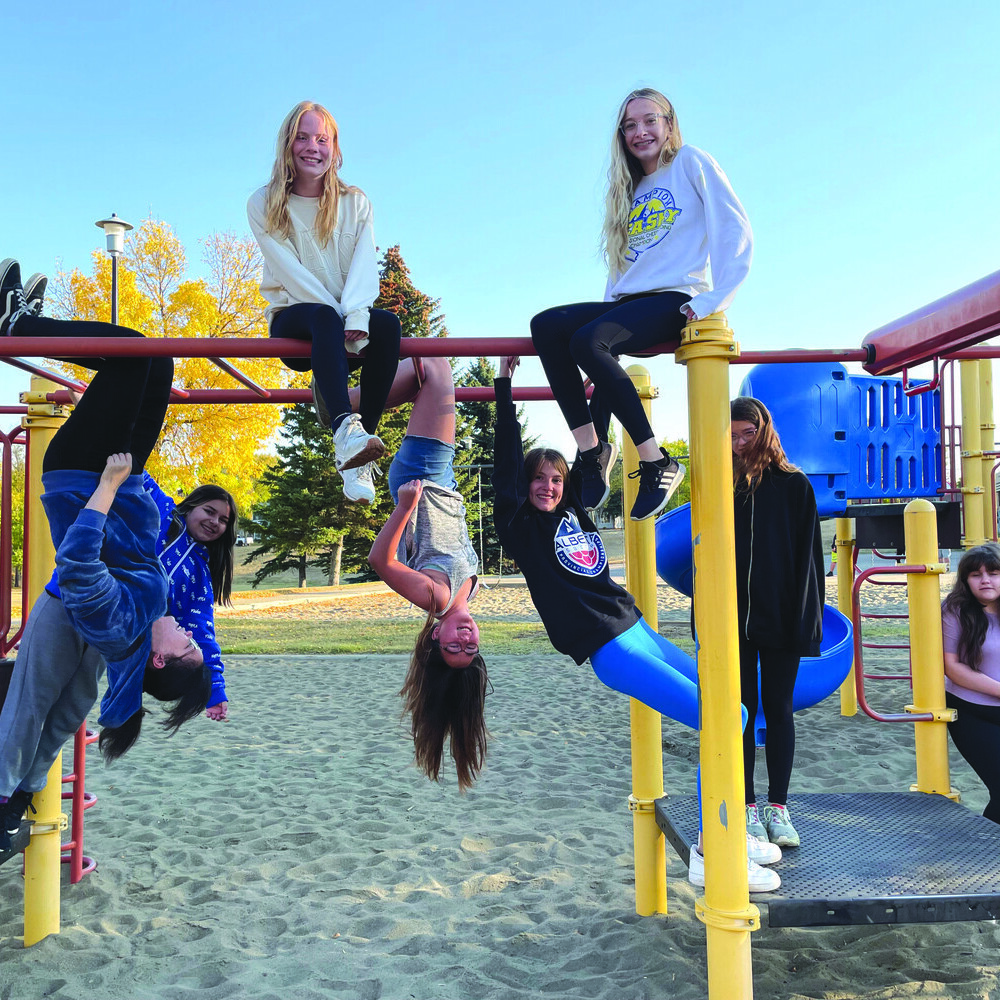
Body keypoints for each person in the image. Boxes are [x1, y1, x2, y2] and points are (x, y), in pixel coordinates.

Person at [495, 357, 781, 891]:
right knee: (714, 718)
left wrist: (597, 392)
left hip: (638, 630)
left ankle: (732, 829)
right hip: (611, 649)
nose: (549, 487)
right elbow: (506, 467)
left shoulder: (575, 509)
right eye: (539, 479)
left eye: (555, 479)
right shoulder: (519, 526)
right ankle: (711, 849)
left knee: (736, 711)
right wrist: (505, 387)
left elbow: (593, 446)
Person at [0, 260, 211, 854]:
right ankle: (14, 796)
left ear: (161, 663)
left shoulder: (121, 627)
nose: (189, 638)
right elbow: (66, 714)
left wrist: (109, 488)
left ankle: (18, 326)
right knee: (157, 359)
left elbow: (80, 562)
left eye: (186, 649)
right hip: (126, 484)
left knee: (130, 355)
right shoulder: (139, 625)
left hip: (81, 480)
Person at [530, 87, 752, 521]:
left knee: (588, 341)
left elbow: (733, 227)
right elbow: (625, 265)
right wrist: (612, 309)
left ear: (669, 124)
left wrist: (715, 299)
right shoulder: (627, 188)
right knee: (548, 325)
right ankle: (592, 451)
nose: (640, 131)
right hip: (630, 302)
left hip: (676, 297)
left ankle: (656, 461)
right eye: (630, 125)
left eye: (650, 120)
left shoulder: (691, 162)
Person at [247, 100, 402, 504]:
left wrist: (357, 313)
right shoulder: (264, 203)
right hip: (297, 320)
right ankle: (345, 430)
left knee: (388, 327)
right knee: (323, 318)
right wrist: (341, 316)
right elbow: (290, 273)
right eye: (302, 137)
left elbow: (365, 266)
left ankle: (359, 449)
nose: (312, 147)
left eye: (322, 138)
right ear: (287, 144)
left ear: (334, 147)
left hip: (345, 323)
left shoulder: (355, 202)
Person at [367, 357, 486, 793]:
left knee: (435, 365)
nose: (465, 640)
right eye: (469, 650)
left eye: (453, 647)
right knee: (424, 377)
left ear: (435, 638)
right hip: (445, 478)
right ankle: (347, 411)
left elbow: (382, 562)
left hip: (423, 475)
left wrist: (404, 506)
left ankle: (347, 412)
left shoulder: (436, 598)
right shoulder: (467, 594)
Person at [731, 396, 824, 850]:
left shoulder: (793, 485)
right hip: (733, 621)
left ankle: (778, 806)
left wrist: (805, 624)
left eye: (747, 433)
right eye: (731, 436)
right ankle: (747, 804)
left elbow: (808, 561)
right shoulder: (721, 486)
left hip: (782, 617)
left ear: (764, 429)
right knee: (742, 712)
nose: (740, 443)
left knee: (779, 708)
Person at [145, 477, 238, 721]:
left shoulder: (200, 576)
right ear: (190, 506)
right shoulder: (165, 514)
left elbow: (203, 635)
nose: (214, 521)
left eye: (223, 520)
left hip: (140, 641)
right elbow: (141, 479)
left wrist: (215, 691)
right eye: (209, 511)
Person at [942, 543, 1000, 825]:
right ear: (965, 580)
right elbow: (952, 668)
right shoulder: (955, 611)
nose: (986, 579)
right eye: (976, 574)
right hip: (972, 709)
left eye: (993, 572)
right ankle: (988, 853)